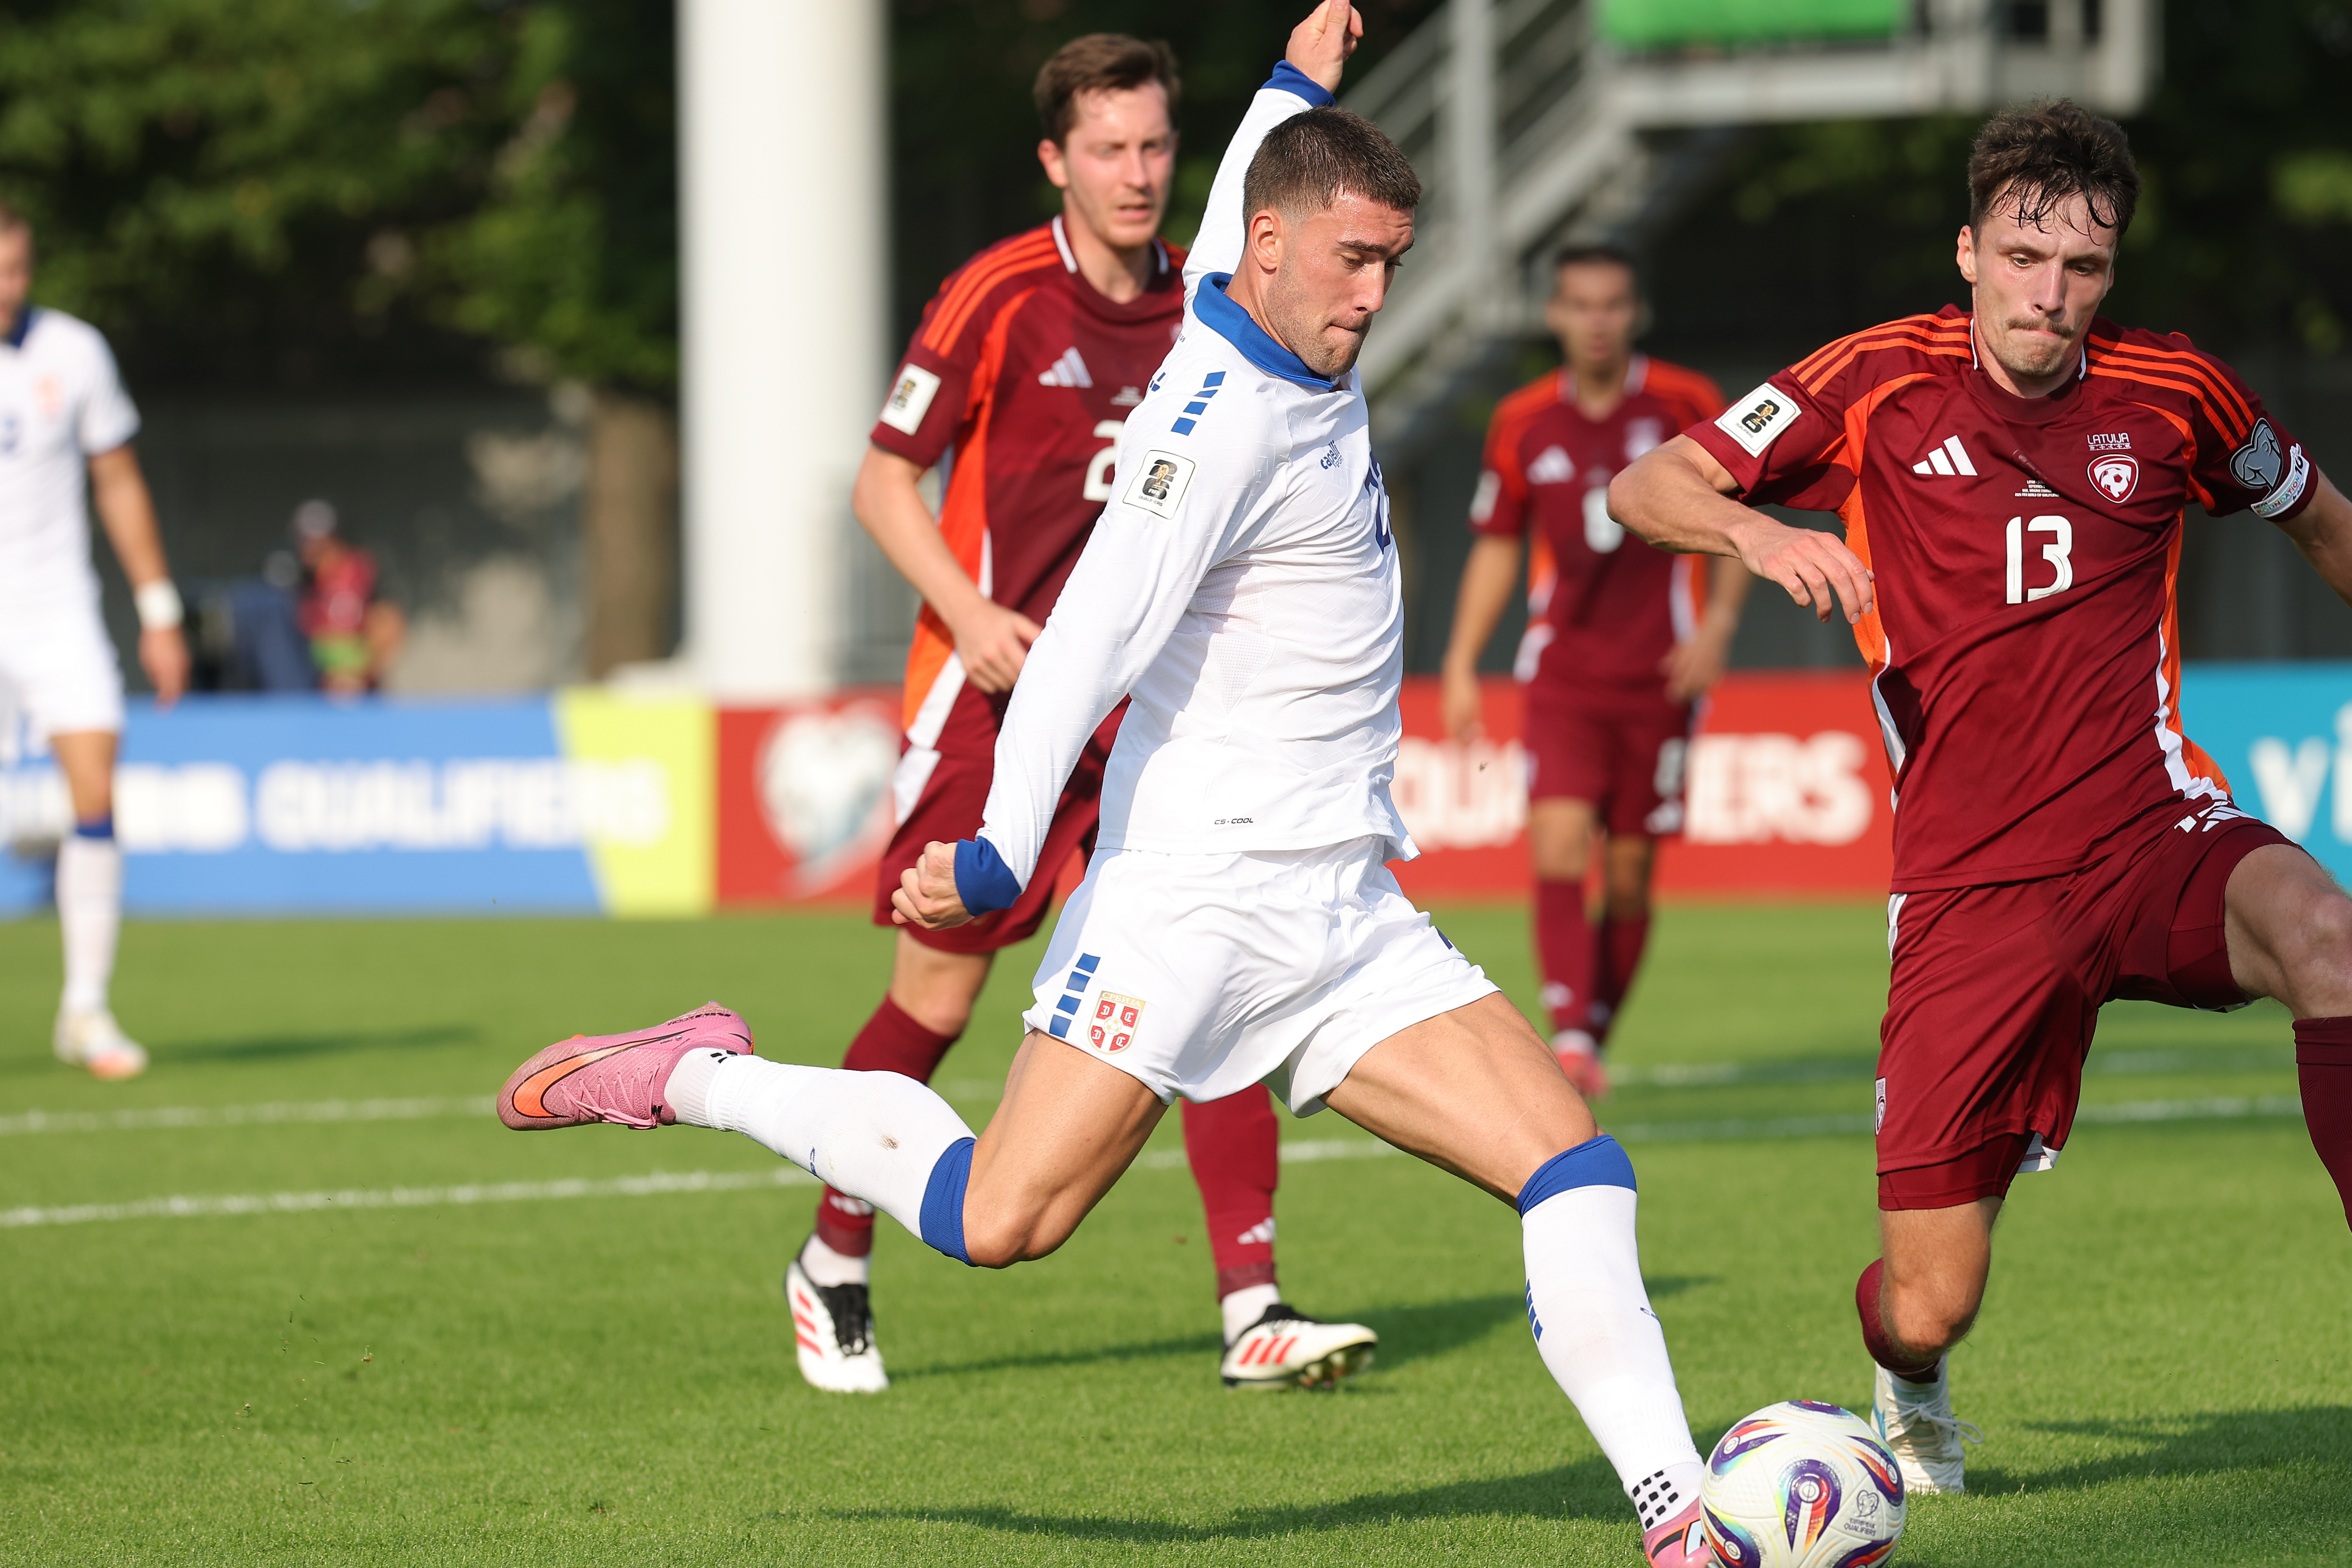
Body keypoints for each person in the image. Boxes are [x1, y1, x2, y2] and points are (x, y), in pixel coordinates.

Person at [497, 9, 1720, 1563]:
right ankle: (694, 1073)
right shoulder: (1205, 434)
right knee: (999, 1222)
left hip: (1341, 910)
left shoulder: (1248, 290)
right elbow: (1078, 648)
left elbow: (1230, 214)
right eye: (1353, 259)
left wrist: (1294, 84)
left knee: (1575, 1167)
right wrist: (1007, 854)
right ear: (1279, 247)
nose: (1374, 292)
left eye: (1391, 261)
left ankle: (1680, 1518)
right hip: (1188, 905)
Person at [1610, 100, 2352, 1497]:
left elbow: (2315, 514)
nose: (2049, 294)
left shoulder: (2178, 391)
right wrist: (1758, 527)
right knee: (1932, 1296)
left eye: (2082, 267)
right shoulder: (1875, 381)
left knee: (2330, 937)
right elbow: (1649, 486)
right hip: (1968, 890)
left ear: (2111, 272)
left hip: (2151, 834)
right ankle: (1908, 1379)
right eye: (2023, 256)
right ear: (1969, 249)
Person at [808, 32, 1373, 1394]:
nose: (1137, 174)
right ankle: (832, 1257)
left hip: (1154, 712)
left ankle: (1254, 1302)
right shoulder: (997, 296)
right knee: (935, 1003)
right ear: (1056, 160)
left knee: (1219, 970)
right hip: (998, 696)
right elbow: (885, 481)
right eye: (1108, 149)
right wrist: (976, 611)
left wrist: (1296, 85)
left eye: (1157, 146)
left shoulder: (1209, 296)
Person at [1440, 247, 1749, 1097]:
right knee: (1560, 841)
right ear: (1556, 316)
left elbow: (1733, 525)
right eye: (1580, 305)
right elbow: (1498, 546)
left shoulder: (1687, 404)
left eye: (1612, 304)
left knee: (1629, 872)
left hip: (1662, 675)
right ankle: (1572, 1032)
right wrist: (1464, 662)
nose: (1597, 321)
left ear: (1635, 311)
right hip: (1563, 674)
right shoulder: (1523, 419)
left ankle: (1592, 1029)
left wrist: (1718, 627)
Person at [0, 201, 187, 1080]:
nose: (10, 287)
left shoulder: (74, 352)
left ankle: (85, 1008)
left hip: (57, 610)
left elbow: (117, 479)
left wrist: (158, 611)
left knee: (95, 786)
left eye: (19, 269)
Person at [291, 500, 404, 693]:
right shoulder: (303, 581)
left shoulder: (361, 570)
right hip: (316, 696)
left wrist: (359, 672)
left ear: (335, 537)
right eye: (304, 539)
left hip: (362, 694)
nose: (309, 547)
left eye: (316, 539)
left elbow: (390, 625)